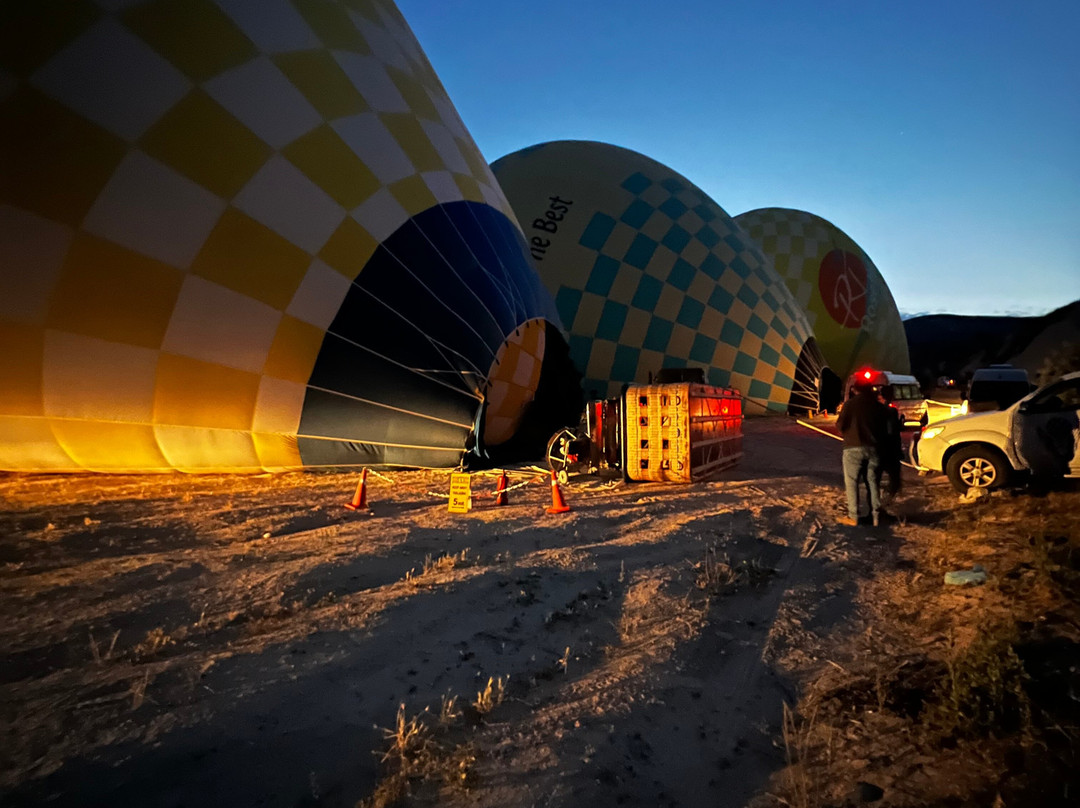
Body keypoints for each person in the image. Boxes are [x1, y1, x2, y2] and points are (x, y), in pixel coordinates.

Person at [835, 382, 890, 526]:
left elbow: (840, 425)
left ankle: (853, 516)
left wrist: (848, 432)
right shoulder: (878, 406)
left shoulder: (850, 405)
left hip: (852, 447)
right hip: (874, 449)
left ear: (855, 389)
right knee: (873, 482)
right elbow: (886, 429)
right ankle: (876, 516)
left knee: (852, 482)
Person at [877, 386, 905, 505]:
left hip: (880, 448)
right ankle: (888, 499)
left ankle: (880, 500)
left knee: (878, 475)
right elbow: (892, 430)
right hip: (890, 449)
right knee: (894, 476)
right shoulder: (890, 411)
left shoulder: (878, 410)